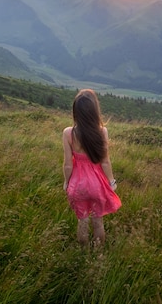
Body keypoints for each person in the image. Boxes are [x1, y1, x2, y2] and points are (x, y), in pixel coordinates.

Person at [63, 89, 121, 247]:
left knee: (82, 222)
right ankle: (98, 254)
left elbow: (68, 164)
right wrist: (111, 182)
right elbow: (105, 162)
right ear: (95, 110)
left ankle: (83, 253)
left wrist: (66, 183)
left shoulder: (68, 133)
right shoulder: (102, 132)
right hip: (98, 185)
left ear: (76, 111)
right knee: (98, 222)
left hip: (78, 185)